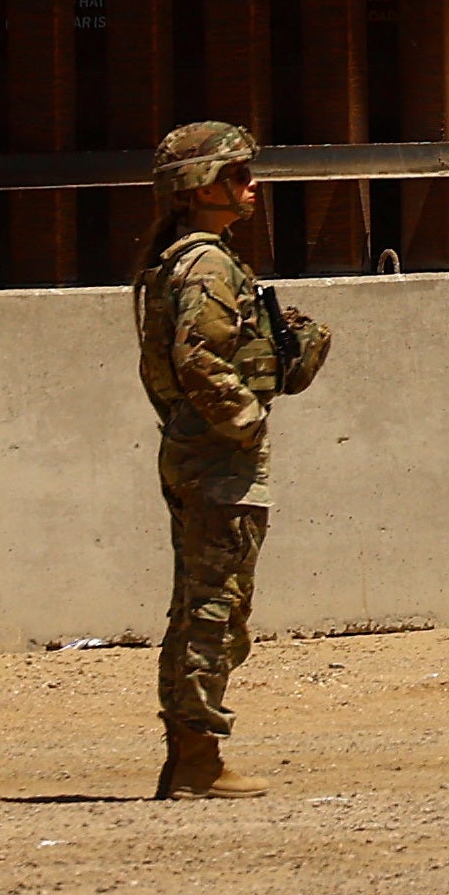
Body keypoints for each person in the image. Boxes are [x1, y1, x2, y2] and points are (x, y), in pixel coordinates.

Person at [133, 120, 332, 796]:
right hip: (217, 460)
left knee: (203, 603)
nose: (252, 188)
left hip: (199, 453)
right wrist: (245, 425)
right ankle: (197, 761)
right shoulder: (207, 264)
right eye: (237, 176)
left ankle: (191, 753)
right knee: (214, 608)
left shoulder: (185, 258)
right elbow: (199, 359)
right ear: (200, 186)